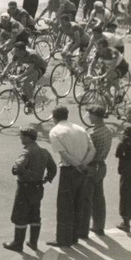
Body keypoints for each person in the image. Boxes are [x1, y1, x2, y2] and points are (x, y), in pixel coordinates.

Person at [47, 105, 96, 247]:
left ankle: (63, 238)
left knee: (65, 205)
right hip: (82, 171)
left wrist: (78, 165)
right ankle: (74, 236)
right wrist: (83, 165)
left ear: (54, 117)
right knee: (78, 203)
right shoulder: (81, 129)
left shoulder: (55, 131)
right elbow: (92, 149)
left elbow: (64, 154)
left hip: (68, 170)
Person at [3, 126, 57, 252]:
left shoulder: (27, 152)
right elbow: (53, 168)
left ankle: (18, 244)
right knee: (35, 214)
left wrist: (26, 175)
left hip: (25, 188)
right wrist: (46, 179)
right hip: (38, 187)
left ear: (28, 138)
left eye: (22, 136)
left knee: (20, 214)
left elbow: (18, 167)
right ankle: (33, 243)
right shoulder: (44, 152)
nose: (20, 138)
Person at [79, 105, 113, 237]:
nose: (88, 117)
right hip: (101, 166)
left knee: (86, 199)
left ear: (96, 116)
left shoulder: (93, 134)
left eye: (90, 114)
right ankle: (99, 227)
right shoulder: (107, 131)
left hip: (92, 167)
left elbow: (85, 150)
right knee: (99, 198)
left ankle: (83, 230)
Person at [116, 105, 131, 233]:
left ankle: (126, 222)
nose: (126, 116)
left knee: (126, 192)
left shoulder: (130, 129)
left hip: (129, 166)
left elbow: (121, 148)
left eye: (128, 114)